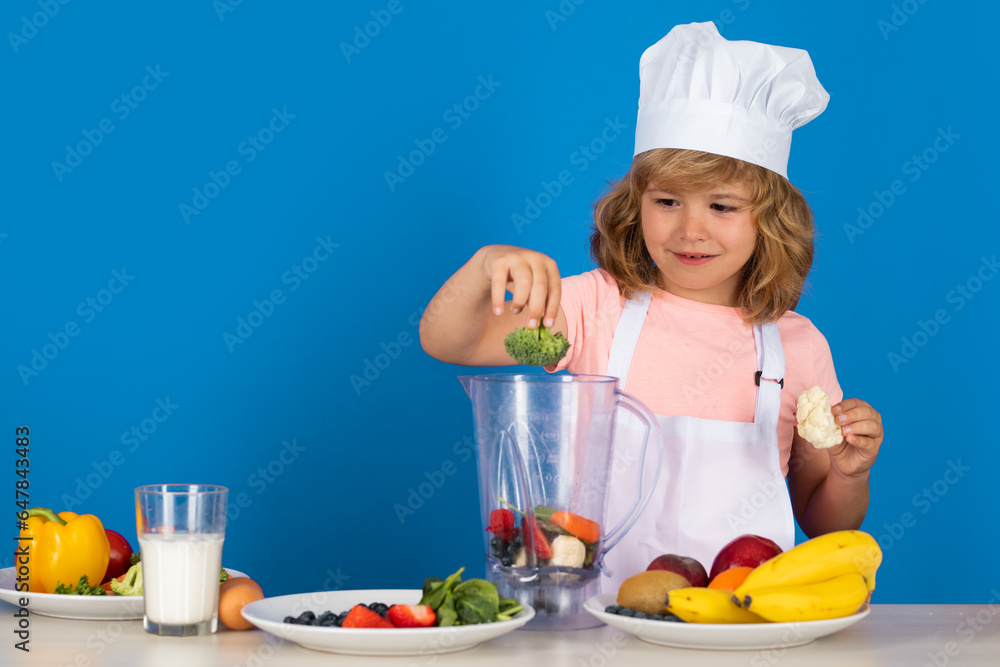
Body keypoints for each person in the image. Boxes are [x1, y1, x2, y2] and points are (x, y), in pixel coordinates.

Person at [419, 22, 883, 587]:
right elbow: (448, 340)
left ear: (771, 222)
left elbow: (822, 521)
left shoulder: (797, 345)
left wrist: (849, 475)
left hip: (739, 624)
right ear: (635, 206)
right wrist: (486, 265)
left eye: (722, 206)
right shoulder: (594, 308)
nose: (691, 229)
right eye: (667, 201)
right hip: (598, 620)